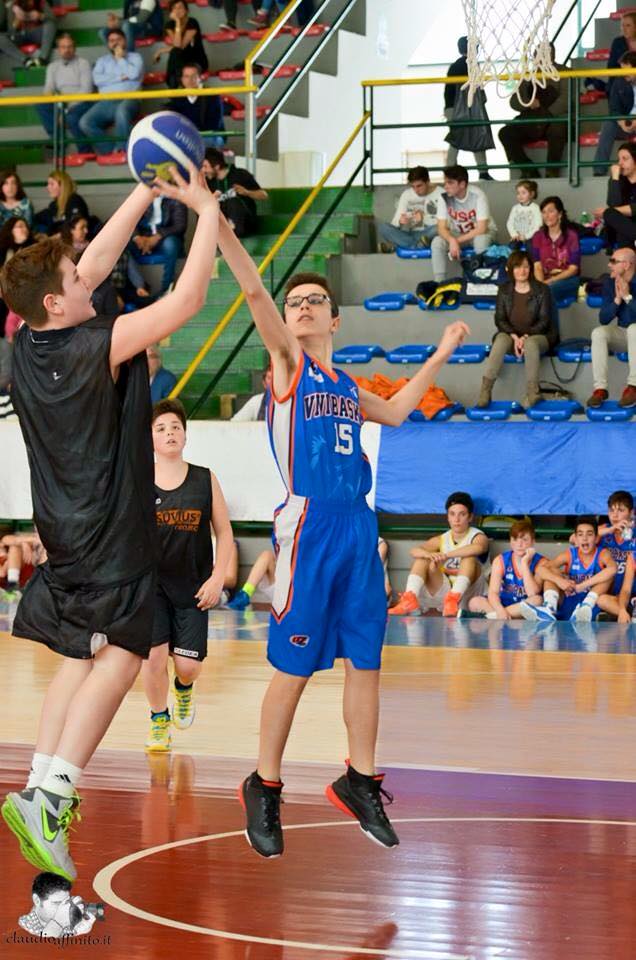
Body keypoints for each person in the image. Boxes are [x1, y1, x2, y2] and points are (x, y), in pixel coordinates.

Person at [217, 210, 469, 857]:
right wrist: (218, 226)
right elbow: (253, 293)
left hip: (358, 526)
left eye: (315, 302)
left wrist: (441, 352)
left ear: (335, 320)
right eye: (295, 302)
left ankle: (359, 779)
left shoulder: (347, 386)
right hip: (310, 526)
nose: (302, 307)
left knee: (367, 660)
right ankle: (264, 783)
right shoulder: (287, 368)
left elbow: (401, 411)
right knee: (295, 667)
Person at [0, 163, 219, 882]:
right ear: (56, 302)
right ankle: (56, 794)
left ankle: (36, 782)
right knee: (123, 655)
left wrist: (144, 190)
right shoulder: (95, 346)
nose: (86, 276)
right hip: (109, 531)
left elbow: (90, 264)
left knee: (77, 659)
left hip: (62, 532)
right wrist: (206, 210)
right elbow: (188, 299)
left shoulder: (26, 344)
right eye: (74, 277)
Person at [142, 398, 233, 751]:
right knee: (152, 657)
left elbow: (224, 532)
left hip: (193, 585)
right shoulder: (139, 480)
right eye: (161, 428)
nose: (169, 433)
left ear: (185, 435)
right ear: (150, 438)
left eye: (175, 427)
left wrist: (217, 578)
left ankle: (183, 688)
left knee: (187, 666)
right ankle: (158, 719)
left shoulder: (204, 478)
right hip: (150, 585)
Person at [388, 492, 489, 618]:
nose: (456, 519)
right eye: (452, 514)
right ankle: (409, 600)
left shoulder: (478, 536)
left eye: (462, 514)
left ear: (470, 517)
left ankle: (453, 599)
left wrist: (446, 555)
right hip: (446, 595)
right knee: (422, 559)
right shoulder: (442, 538)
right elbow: (414, 550)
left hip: (471, 593)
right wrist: (428, 555)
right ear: (448, 517)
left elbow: (478, 548)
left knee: (469, 559)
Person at [476, 250, 556, 409]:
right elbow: (500, 319)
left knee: (531, 343)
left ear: (530, 268)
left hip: (539, 336)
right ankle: (485, 391)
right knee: (500, 339)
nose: (522, 271)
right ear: (511, 269)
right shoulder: (504, 290)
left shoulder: (542, 290)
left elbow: (544, 321)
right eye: (518, 267)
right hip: (512, 336)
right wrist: (514, 336)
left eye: (526, 267)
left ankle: (532, 392)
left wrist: (525, 337)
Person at [520, 518, 616, 623]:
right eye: (580, 534)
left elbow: (613, 569)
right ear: (576, 539)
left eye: (589, 534)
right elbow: (540, 569)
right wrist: (560, 581)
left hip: (591, 604)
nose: (584, 538)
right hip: (569, 598)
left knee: (608, 576)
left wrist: (582, 586)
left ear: (596, 538)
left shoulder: (602, 553)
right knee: (552, 571)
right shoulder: (570, 554)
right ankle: (549, 608)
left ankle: (586, 605)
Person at [499, 46, 567, 178]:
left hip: (554, 118)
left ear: (552, 55)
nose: (539, 57)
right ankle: (528, 170)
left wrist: (545, 114)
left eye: (543, 54)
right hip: (531, 119)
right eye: (537, 54)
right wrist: (528, 103)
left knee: (557, 128)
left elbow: (566, 99)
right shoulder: (528, 76)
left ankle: (552, 171)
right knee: (505, 133)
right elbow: (514, 101)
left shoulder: (565, 72)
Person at [79, 28, 143, 157]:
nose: (115, 43)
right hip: (107, 102)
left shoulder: (135, 57)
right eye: (111, 40)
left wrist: (120, 59)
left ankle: (121, 149)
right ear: (108, 44)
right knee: (85, 122)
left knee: (121, 111)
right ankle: (109, 152)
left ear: (125, 41)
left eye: (118, 39)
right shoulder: (102, 60)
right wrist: (121, 77)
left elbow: (133, 74)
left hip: (130, 99)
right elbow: (97, 80)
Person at [586, 248, 636, 409]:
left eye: (614, 261)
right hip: (623, 333)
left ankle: (633, 387)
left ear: (627, 265)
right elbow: (603, 319)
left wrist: (628, 297)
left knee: (634, 329)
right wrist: (617, 300)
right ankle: (600, 389)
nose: (609, 265)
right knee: (598, 333)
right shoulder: (610, 282)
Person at [468, 520, 548, 619]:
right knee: (474, 602)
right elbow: (493, 593)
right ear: (510, 541)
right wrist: (500, 610)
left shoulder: (541, 562)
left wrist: (524, 563)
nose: (519, 544)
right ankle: (505, 617)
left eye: (524, 540)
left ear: (533, 541)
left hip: (524, 607)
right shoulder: (500, 560)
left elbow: (532, 593)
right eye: (515, 539)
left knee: (537, 600)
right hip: (503, 604)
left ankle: (493, 617)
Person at [430, 164, 496, 284]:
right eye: (445, 182)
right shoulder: (444, 197)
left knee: (480, 240)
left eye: (450, 183)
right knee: (437, 242)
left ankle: (482, 280)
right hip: (458, 233)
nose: (446, 186)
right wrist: (452, 240)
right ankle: (439, 282)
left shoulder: (477, 195)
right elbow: (441, 228)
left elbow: (481, 228)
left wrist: (456, 241)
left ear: (462, 184)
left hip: (482, 233)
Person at [443, 36, 493, 179]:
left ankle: (452, 171)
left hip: (456, 108)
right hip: (462, 108)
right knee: (462, 137)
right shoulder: (468, 66)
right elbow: (473, 90)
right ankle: (480, 172)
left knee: (460, 138)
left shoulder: (457, 65)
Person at [35, 34, 93, 154]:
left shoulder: (83, 63)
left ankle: (85, 151)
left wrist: (66, 110)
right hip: (61, 101)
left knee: (71, 118)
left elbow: (86, 90)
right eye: (63, 47)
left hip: (82, 101)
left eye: (69, 46)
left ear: (75, 48)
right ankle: (56, 139)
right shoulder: (52, 66)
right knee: (41, 105)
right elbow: (49, 88)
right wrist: (50, 99)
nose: (67, 50)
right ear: (58, 49)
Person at [531, 196, 580, 319]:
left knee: (547, 293)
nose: (547, 216)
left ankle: (549, 331)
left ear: (560, 214)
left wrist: (549, 282)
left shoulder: (572, 236)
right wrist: (541, 284)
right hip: (544, 280)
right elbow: (537, 265)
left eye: (551, 211)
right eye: (544, 212)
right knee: (537, 292)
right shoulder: (538, 236)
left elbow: (573, 269)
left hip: (567, 280)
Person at [203, 147, 268, 238]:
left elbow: (264, 195)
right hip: (224, 224)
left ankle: (231, 234)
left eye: (205, 166)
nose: (203, 170)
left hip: (246, 222)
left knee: (233, 202)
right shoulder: (208, 183)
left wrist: (247, 192)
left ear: (217, 166)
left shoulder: (240, 174)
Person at [376, 166, 442, 252]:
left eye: (419, 186)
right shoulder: (407, 195)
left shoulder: (441, 193)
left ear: (428, 181)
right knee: (383, 227)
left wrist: (424, 218)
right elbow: (395, 224)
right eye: (413, 186)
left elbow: (447, 223)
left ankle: (396, 246)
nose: (416, 190)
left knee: (438, 229)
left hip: (428, 234)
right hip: (410, 235)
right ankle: (418, 246)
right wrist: (400, 222)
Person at [132, 193, 188, 294]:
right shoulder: (143, 196)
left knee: (170, 245)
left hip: (166, 236)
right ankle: (138, 289)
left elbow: (179, 226)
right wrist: (137, 238)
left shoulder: (176, 197)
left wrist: (157, 237)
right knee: (123, 244)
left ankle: (166, 289)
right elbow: (132, 219)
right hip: (144, 237)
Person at [593, 51, 636, 176]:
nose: (623, 73)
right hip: (627, 122)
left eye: (627, 70)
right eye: (622, 69)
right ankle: (599, 170)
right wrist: (621, 122)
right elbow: (614, 108)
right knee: (609, 124)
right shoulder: (619, 82)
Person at [595, 491, 636, 622]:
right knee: (601, 600)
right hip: (614, 595)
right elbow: (574, 539)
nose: (615, 515)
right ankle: (628, 616)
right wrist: (611, 529)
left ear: (631, 512)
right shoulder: (604, 530)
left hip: (632, 592)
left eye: (621, 510)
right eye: (611, 510)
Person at [19, 872, 96, 938]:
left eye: (66, 902)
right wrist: (60, 923)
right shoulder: (25, 925)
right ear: (37, 900)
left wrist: (79, 932)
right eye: (57, 903)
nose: (64, 908)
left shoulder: (67, 924)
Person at [168, 63, 224, 148]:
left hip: (210, 136)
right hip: (186, 136)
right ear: (182, 79)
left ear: (200, 77)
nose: (190, 80)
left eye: (193, 76)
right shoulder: (177, 97)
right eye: (186, 76)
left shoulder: (212, 95)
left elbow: (214, 125)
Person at [154, 1, 208, 89]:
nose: (177, 10)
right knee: (175, 53)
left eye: (180, 7)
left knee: (175, 52)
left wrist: (161, 50)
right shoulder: (169, 25)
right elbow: (177, 46)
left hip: (197, 60)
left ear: (186, 10)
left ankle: (175, 87)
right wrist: (177, 23)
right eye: (174, 8)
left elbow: (180, 46)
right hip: (182, 60)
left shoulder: (192, 22)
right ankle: (174, 86)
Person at [595, 144, 636, 249]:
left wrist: (608, 211)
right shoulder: (616, 179)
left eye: (625, 159)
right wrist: (615, 178)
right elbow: (613, 204)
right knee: (613, 217)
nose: (620, 163)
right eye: (619, 159)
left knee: (609, 214)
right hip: (621, 225)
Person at [0, 0, 57, 68]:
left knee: (50, 25)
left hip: (36, 33)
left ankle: (42, 59)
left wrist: (41, 16)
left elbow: (53, 20)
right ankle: (26, 60)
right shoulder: (14, 5)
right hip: (19, 35)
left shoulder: (42, 2)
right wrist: (17, 21)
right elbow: (11, 31)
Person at [34, 171, 90, 237]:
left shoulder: (75, 201)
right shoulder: (53, 205)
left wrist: (53, 238)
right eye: (48, 184)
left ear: (62, 186)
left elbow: (75, 228)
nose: (47, 187)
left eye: (52, 184)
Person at [506, 180, 542, 245]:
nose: (520, 195)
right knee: (512, 246)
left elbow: (538, 225)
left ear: (531, 194)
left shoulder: (536, 208)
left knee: (530, 247)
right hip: (517, 237)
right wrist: (514, 234)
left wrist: (526, 236)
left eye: (523, 193)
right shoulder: (515, 208)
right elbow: (510, 223)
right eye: (518, 193)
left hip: (531, 238)